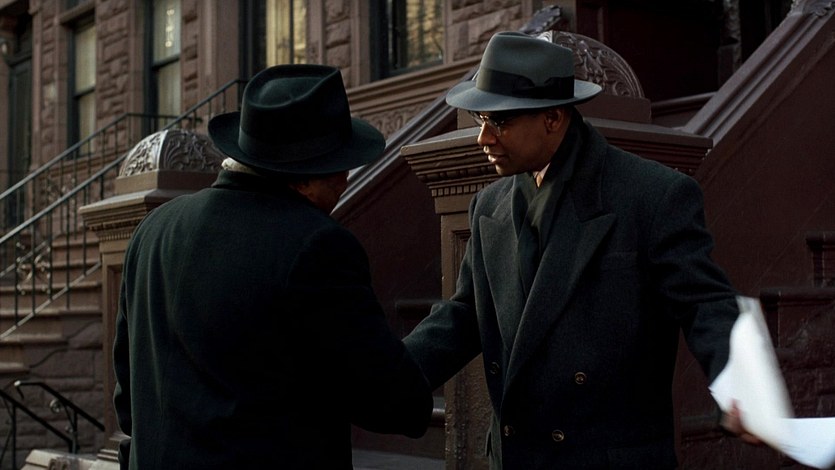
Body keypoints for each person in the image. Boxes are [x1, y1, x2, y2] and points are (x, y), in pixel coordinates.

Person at [403, 31, 758, 469]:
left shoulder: (652, 194)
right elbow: (464, 316)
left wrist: (741, 385)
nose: (484, 138)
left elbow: (705, 304)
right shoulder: (488, 205)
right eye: (481, 119)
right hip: (516, 456)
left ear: (553, 118)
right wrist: (385, 376)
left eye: (500, 122)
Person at [113, 64, 433, 469]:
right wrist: (454, 324)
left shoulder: (153, 229)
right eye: (340, 167)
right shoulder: (316, 244)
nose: (345, 180)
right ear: (301, 179)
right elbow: (391, 402)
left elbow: (128, 402)